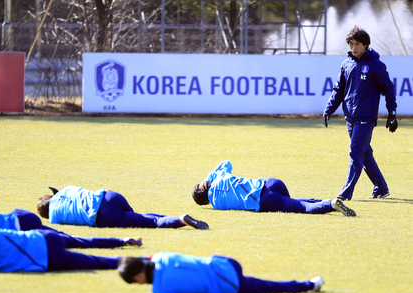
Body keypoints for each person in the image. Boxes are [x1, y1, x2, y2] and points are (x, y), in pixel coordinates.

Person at [0, 188, 131, 272]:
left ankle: (134, 258)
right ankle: (122, 241)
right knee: (73, 240)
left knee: (95, 262)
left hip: (43, 260)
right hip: (29, 228)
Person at [323, 26, 398, 201]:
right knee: (364, 154)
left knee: (356, 151)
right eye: (351, 44)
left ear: (366, 45)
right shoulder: (346, 64)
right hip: (350, 117)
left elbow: (388, 88)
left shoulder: (376, 65)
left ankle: (346, 192)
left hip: (366, 117)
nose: (354, 47)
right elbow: (338, 90)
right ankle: (381, 187)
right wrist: (329, 109)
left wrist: (392, 113)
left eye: (358, 44)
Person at [118, 252, 323, 293]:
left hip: (229, 285)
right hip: (226, 263)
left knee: (272, 286)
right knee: (269, 284)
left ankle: (310, 285)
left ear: (137, 278)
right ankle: (309, 285)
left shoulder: (160, 290)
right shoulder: (162, 255)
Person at [192, 160, 356, 217]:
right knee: (296, 202)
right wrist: (207, 179)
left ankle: (331, 204)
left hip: (264, 200)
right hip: (270, 182)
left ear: (205, 201)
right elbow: (226, 163)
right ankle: (330, 202)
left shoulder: (216, 204)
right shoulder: (220, 176)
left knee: (302, 208)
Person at [37, 186, 209, 229]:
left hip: (103, 215)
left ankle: (180, 220)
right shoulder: (65, 189)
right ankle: (181, 218)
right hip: (110, 196)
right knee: (142, 217)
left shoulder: (54, 217)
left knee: (150, 223)